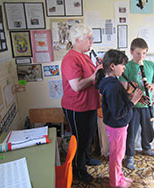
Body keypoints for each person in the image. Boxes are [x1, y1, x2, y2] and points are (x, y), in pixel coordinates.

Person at [95, 49, 144, 188]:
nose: (124, 67)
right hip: (117, 126)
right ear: (112, 66)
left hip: (118, 126)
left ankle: (119, 177)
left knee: (119, 155)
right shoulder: (112, 87)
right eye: (122, 65)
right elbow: (118, 112)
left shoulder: (111, 81)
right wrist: (133, 101)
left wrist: (128, 93)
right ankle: (115, 182)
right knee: (117, 157)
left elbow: (117, 103)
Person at [61, 23, 102, 183]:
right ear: (77, 40)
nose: (92, 41)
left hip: (89, 105)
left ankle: (85, 158)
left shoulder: (84, 55)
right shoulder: (70, 58)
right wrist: (95, 75)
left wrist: (99, 68)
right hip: (77, 107)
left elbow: (92, 76)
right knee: (79, 138)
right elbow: (76, 86)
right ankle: (78, 169)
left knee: (88, 136)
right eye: (89, 38)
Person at [120, 38, 154, 170]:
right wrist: (132, 89)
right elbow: (124, 89)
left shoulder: (150, 65)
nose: (141, 56)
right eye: (138, 53)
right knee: (131, 132)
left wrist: (152, 86)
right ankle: (130, 156)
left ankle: (146, 148)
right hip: (133, 105)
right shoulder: (127, 67)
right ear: (131, 52)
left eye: (144, 53)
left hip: (147, 104)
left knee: (147, 129)